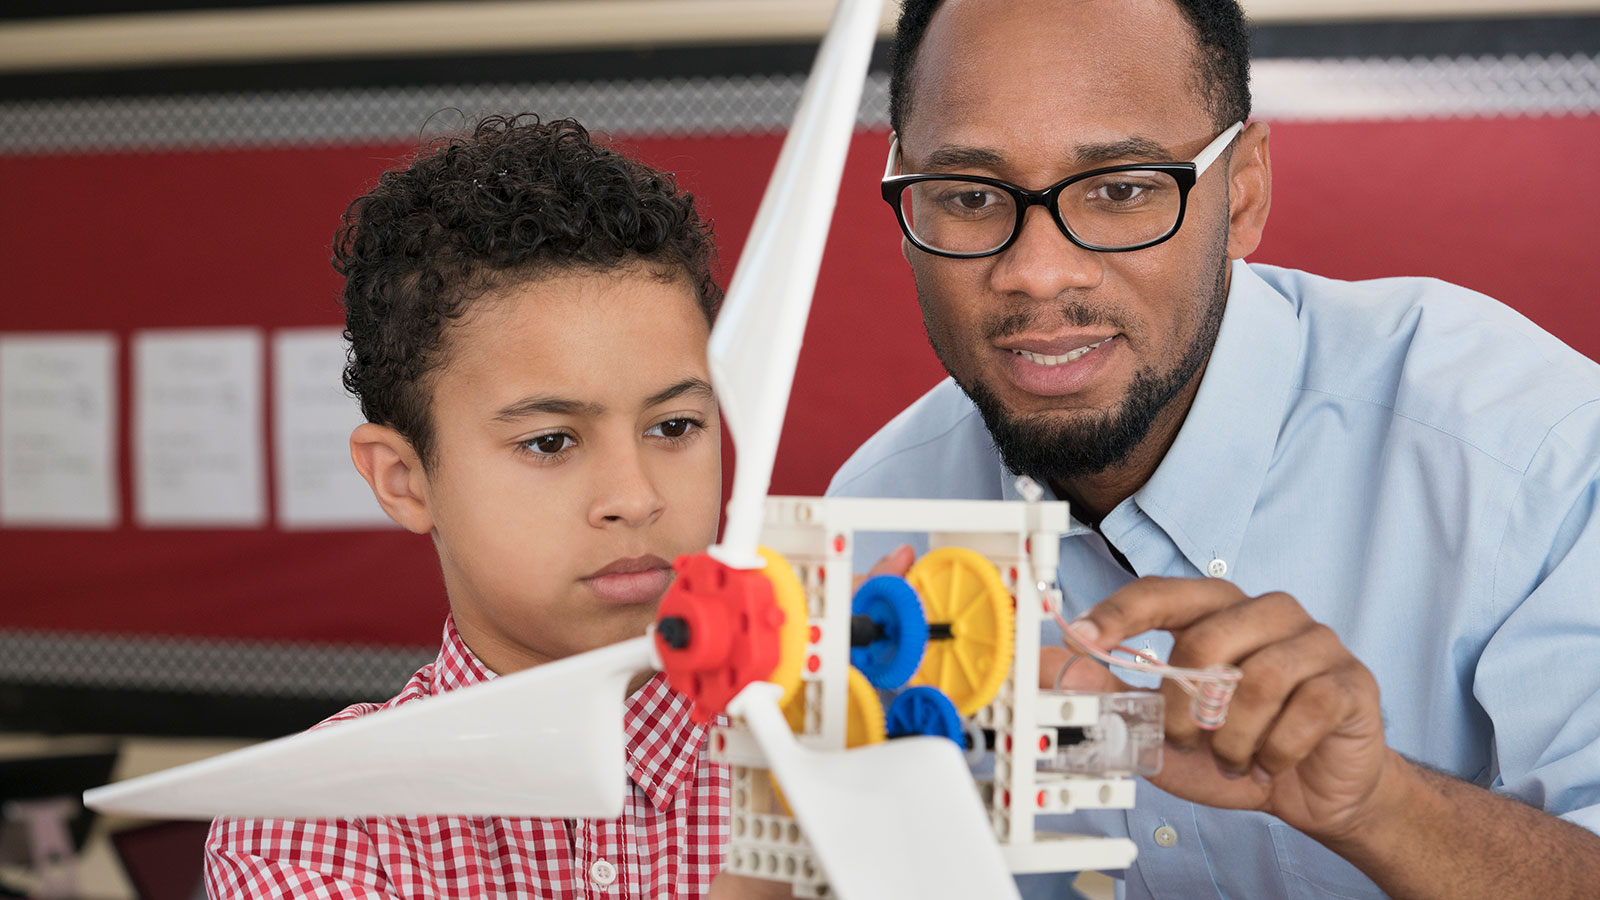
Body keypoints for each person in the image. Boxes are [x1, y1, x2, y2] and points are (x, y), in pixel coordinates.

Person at [828, 1, 1600, 898]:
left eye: (1121, 188)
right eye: (968, 195)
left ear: (1241, 194)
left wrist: (1382, 806)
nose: (1038, 273)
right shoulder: (876, 525)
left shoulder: (1529, 454)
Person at [204, 114, 735, 898]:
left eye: (674, 426)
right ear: (402, 480)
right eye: (551, 442)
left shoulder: (837, 745)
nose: (636, 497)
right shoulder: (307, 821)